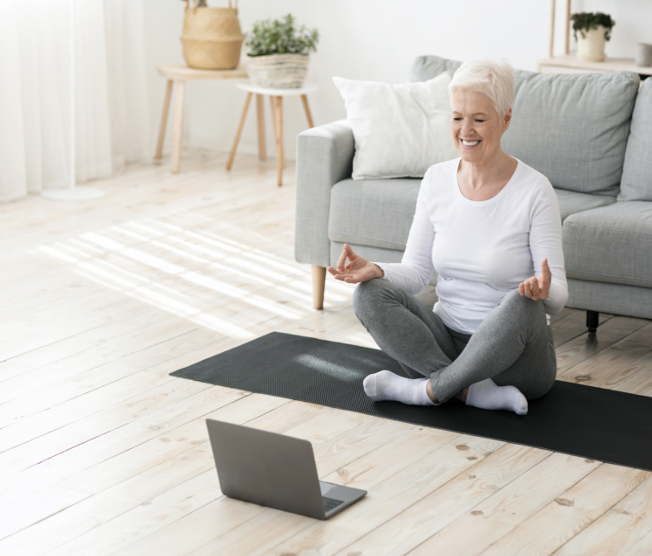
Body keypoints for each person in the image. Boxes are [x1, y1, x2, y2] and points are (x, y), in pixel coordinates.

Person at [328, 58, 568, 415]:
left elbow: (559, 296)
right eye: (457, 117)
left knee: (521, 304)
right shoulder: (436, 180)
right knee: (368, 294)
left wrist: (544, 291)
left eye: (479, 119)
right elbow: (416, 273)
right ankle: (469, 390)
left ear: (505, 119)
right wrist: (377, 270)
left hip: (516, 361)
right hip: (445, 345)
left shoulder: (534, 190)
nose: (465, 130)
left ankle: (426, 391)